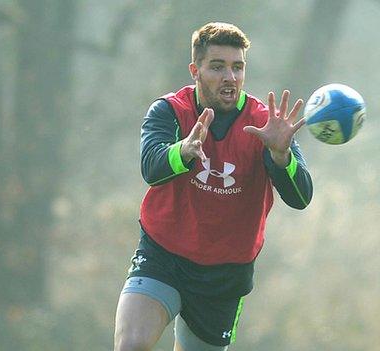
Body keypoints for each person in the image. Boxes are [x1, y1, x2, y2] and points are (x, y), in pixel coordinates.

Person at [113, 22, 313, 351]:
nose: (229, 77)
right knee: (132, 345)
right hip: (164, 255)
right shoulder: (168, 111)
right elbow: (151, 167)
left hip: (224, 274)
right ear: (195, 70)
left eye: (237, 67)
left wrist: (281, 155)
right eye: (217, 67)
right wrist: (183, 151)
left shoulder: (265, 124)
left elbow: (302, 197)